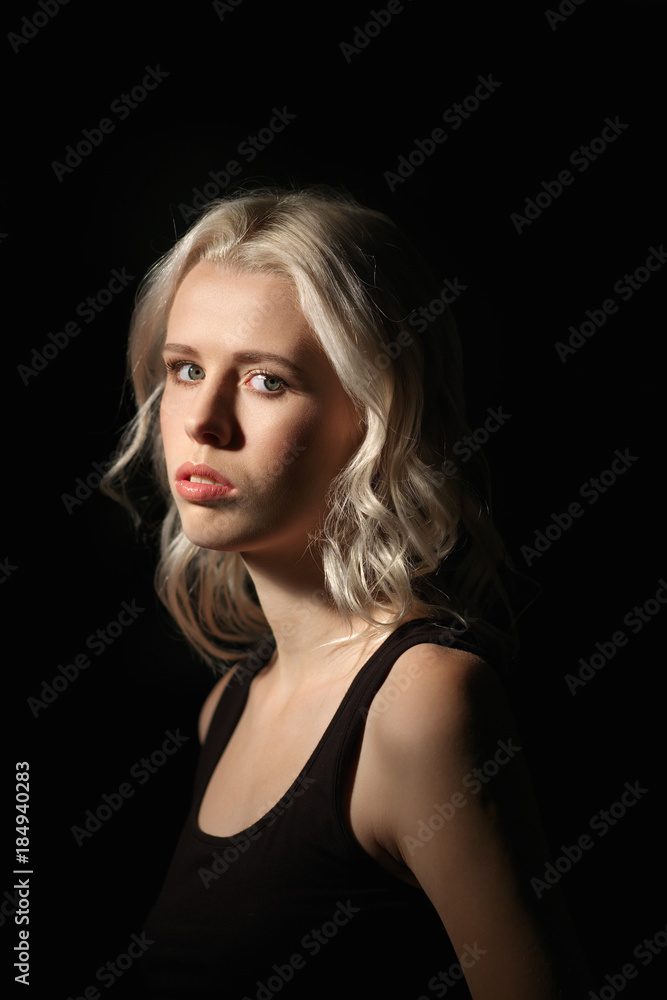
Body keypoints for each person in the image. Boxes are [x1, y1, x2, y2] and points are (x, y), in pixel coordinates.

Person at [102, 185, 591, 998]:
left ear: (372, 416)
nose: (203, 423)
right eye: (185, 370)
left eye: (266, 381)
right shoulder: (227, 705)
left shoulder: (424, 704)